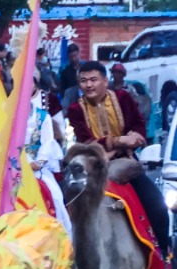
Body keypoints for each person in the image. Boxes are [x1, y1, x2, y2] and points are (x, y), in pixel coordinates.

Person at [62, 58, 171, 257]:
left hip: (126, 165)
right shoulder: (75, 110)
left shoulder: (123, 98)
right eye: (83, 81)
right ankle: (67, 258)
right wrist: (120, 140)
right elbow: (87, 141)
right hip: (93, 167)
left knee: (157, 206)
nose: (88, 85)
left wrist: (134, 137)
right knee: (65, 205)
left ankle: (163, 254)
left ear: (105, 81)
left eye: (93, 80)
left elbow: (138, 124)